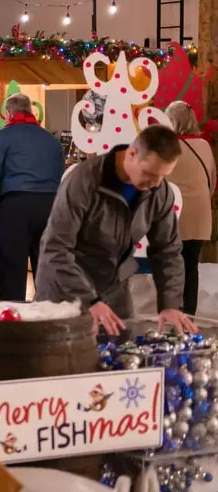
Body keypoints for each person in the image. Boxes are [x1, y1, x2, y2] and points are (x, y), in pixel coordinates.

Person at [35, 125, 195, 335]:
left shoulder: (159, 191)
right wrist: (89, 299)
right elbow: (56, 248)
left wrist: (170, 303)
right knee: (62, 360)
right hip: (64, 286)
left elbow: (168, 250)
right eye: (149, 173)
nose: (155, 183)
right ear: (131, 153)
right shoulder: (83, 181)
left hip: (113, 286)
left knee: (118, 354)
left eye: (162, 176)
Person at [0, 93, 64, 302]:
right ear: (30, 110)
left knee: (11, 265)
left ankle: (15, 315)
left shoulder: (2, 136)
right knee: (45, 264)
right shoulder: (50, 139)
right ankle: (47, 315)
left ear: (8, 114)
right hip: (49, 206)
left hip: (15, 205)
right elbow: (60, 172)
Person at [165, 101, 216, 315]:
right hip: (200, 217)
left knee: (171, 267)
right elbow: (211, 183)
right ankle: (190, 314)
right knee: (191, 267)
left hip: (173, 219)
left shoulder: (167, 148)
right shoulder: (204, 146)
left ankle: (173, 312)